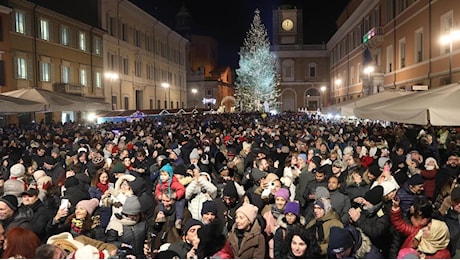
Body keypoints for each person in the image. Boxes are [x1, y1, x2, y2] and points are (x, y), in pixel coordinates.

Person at [154, 163, 186, 229]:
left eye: (165, 175)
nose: (162, 177)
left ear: (170, 175)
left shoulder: (174, 183)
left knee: (180, 204)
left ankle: (178, 219)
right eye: (161, 175)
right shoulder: (160, 184)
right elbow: (157, 190)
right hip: (164, 196)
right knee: (160, 203)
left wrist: (176, 195)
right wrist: (159, 195)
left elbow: (182, 189)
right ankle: (161, 213)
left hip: (176, 198)